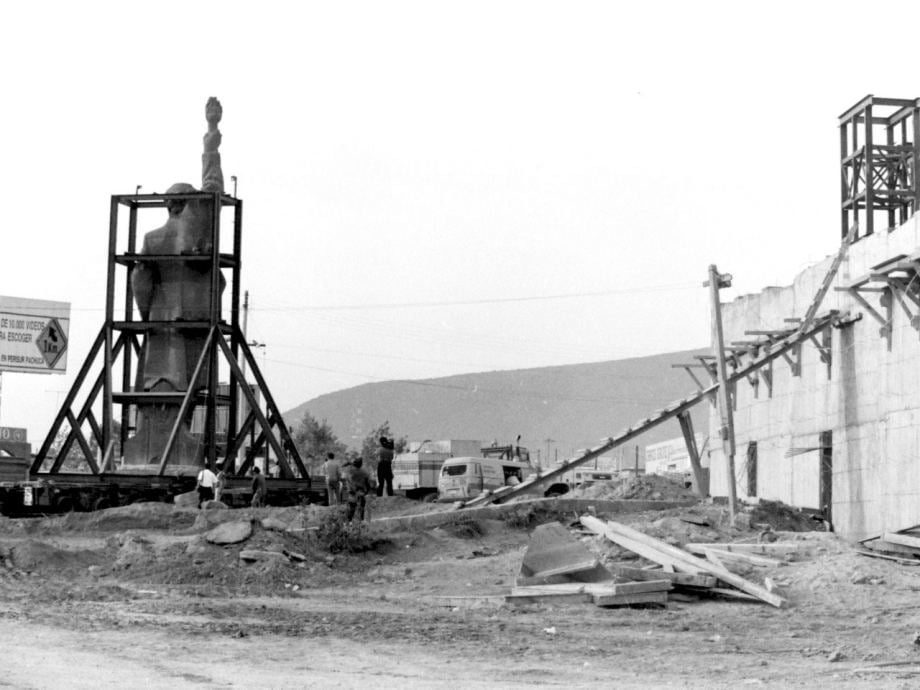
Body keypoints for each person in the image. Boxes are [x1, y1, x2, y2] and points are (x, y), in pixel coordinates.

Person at [125, 97, 227, 465]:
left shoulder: (152, 239)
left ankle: (149, 450)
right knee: (189, 383)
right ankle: (176, 451)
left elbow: (139, 277)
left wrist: (147, 312)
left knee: (155, 387)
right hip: (193, 323)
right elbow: (212, 184)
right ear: (188, 204)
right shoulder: (196, 231)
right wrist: (211, 134)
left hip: (159, 322)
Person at [342, 457, 372, 522]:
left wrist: (349, 463)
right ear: (361, 464)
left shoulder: (350, 471)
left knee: (351, 508)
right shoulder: (364, 472)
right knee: (361, 508)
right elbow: (368, 484)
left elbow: (344, 472)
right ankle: (361, 522)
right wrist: (367, 491)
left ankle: (349, 522)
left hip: (352, 492)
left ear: (354, 464)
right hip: (361, 492)